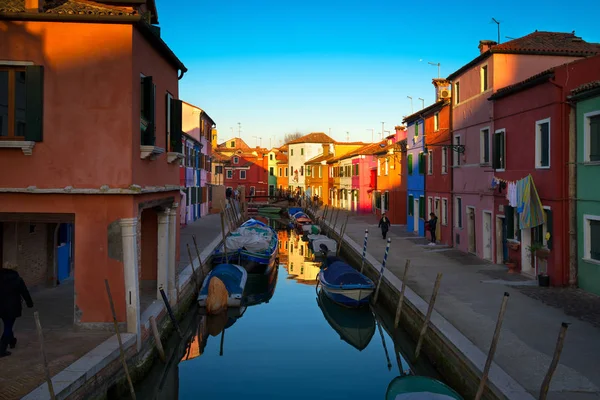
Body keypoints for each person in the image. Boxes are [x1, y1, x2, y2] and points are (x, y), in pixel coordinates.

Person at [0, 262, 34, 357]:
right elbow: (24, 292)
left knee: (7, 324)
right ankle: (2, 349)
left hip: (1, 307)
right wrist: (29, 303)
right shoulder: (17, 280)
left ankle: (12, 341)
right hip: (12, 307)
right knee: (8, 326)